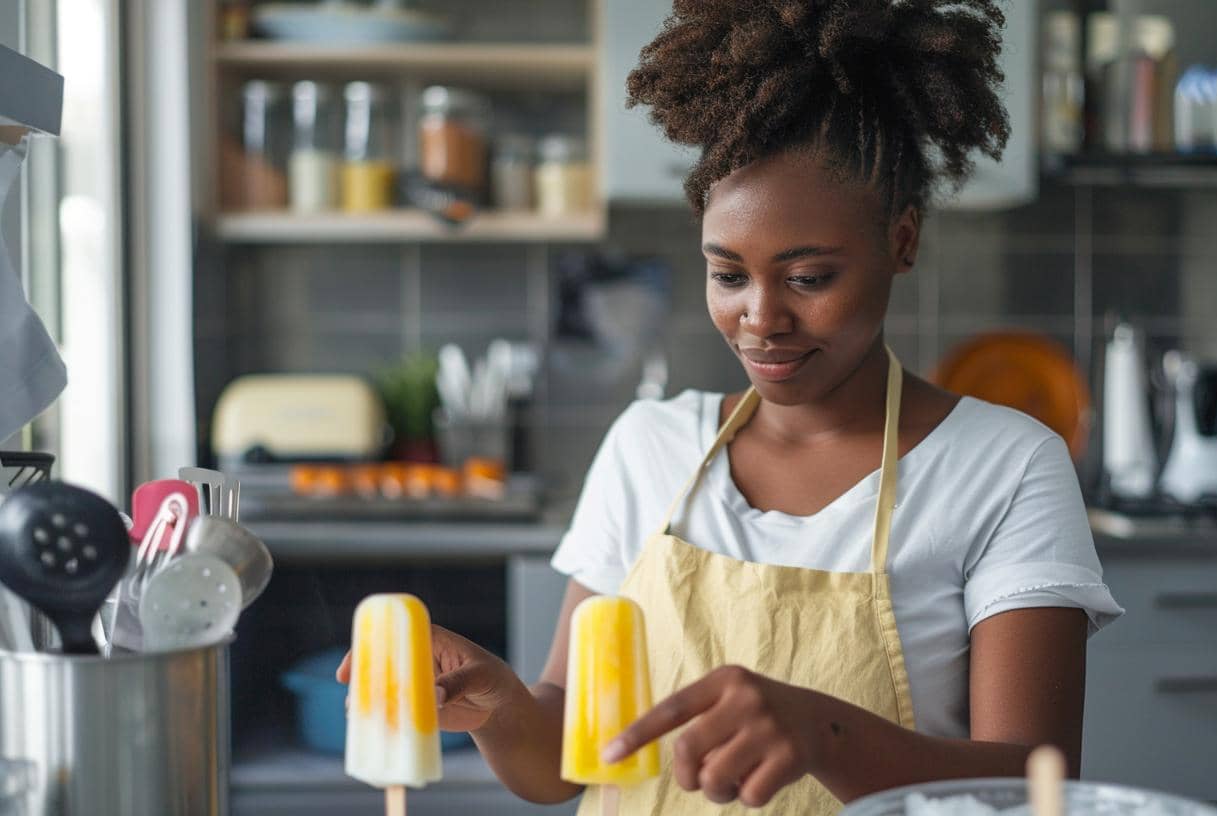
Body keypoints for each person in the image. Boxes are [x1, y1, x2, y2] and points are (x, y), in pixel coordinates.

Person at [339, 1, 1121, 812]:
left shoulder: (1007, 464)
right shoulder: (650, 445)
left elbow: (1037, 786)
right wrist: (500, 704)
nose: (761, 319)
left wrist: (822, 734)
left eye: (809, 277)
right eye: (728, 275)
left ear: (902, 241)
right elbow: (566, 765)